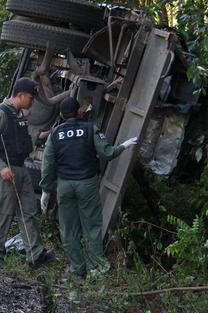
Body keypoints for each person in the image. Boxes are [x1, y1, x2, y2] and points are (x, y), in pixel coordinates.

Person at [39, 97, 138, 278]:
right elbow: (106, 153)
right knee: (91, 226)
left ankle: (77, 268)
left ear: (61, 114)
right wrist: (123, 146)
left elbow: (47, 165)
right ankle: (95, 268)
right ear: (79, 112)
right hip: (87, 183)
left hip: (65, 185)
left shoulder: (54, 134)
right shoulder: (89, 129)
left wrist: (46, 190)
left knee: (68, 228)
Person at [0, 77, 55, 267]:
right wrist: (2, 167)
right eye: (30, 97)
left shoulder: (19, 114)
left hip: (21, 168)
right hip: (6, 170)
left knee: (29, 211)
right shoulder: (0, 113)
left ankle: (35, 255)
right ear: (20, 95)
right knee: (5, 212)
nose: (32, 101)